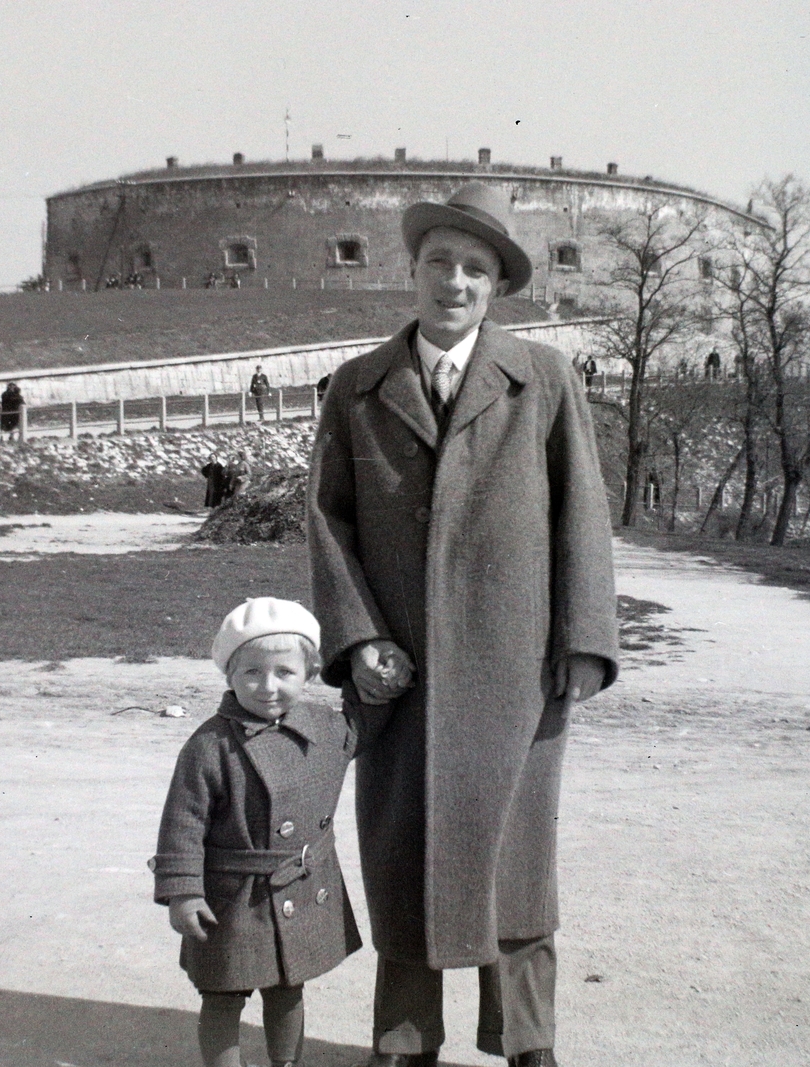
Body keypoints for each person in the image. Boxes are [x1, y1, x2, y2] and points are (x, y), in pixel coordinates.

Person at [308, 182, 619, 1067]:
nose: (455, 280)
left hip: (515, 673)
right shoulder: (358, 387)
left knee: (518, 867)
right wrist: (357, 638)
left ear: (497, 286)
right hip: (398, 676)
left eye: (475, 268)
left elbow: (582, 516)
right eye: (439, 262)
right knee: (403, 859)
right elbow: (328, 522)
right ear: (412, 272)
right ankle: (404, 1042)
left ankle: (529, 1040)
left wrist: (585, 641)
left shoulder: (544, 380)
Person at [152, 598, 361, 1067]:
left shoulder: (327, 729)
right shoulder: (210, 745)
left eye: (284, 673)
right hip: (232, 896)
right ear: (230, 675)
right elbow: (181, 826)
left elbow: (373, 719)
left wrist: (370, 668)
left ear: (309, 672)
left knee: (288, 986)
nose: (268, 688)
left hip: (298, 886)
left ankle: (285, 1063)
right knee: (223, 993)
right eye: (251, 673)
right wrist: (183, 892)